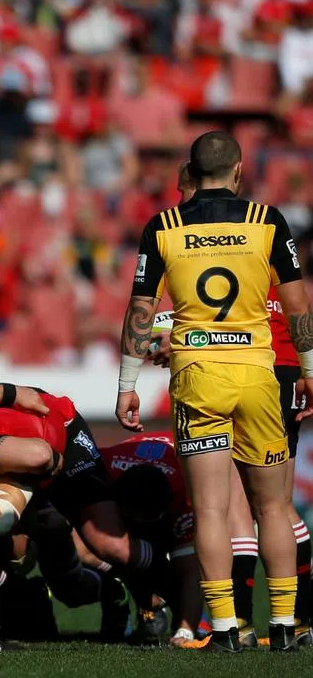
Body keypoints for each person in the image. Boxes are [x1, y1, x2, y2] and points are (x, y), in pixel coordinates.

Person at [116, 131, 313, 652]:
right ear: (239, 170)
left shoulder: (163, 226)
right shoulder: (267, 222)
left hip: (198, 374)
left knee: (209, 509)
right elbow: (297, 308)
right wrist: (311, 370)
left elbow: (140, 313)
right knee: (273, 506)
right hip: (257, 375)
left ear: (189, 172)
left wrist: (128, 385)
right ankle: (287, 625)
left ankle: (225, 627)